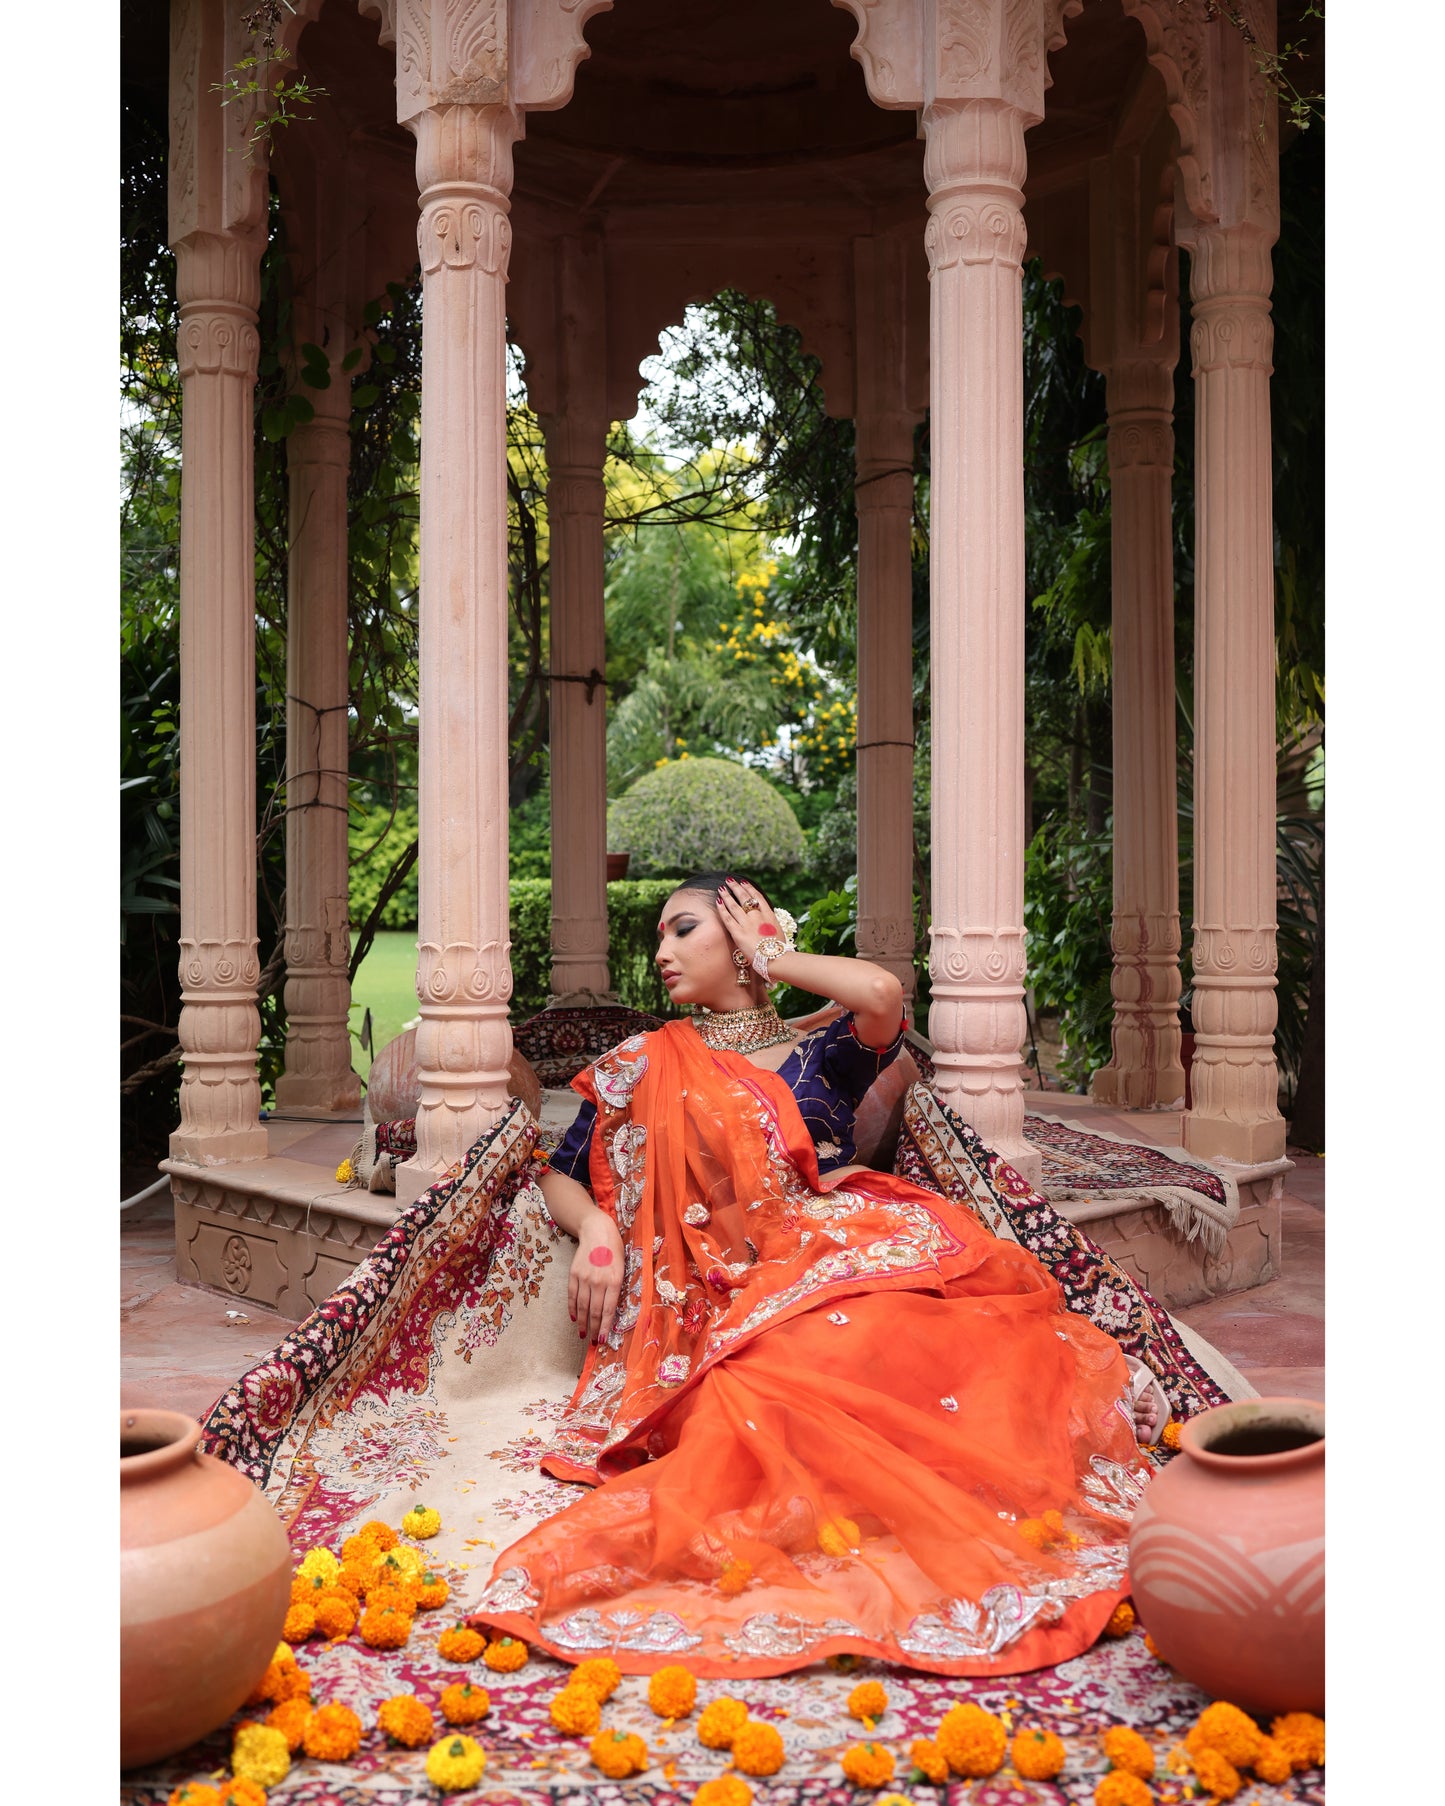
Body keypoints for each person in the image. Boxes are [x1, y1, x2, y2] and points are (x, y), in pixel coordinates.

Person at [467, 872, 1167, 1679]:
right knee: (773, 1388)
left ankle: (1073, 1413)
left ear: (740, 937)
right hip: (734, 1291)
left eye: (683, 929)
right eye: (657, 936)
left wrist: (777, 953)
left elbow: (879, 993)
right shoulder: (640, 1063)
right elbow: (558, 1168)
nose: (660, 952)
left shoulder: (820, 1053)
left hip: (851, 1252)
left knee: (905, 1331)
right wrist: (595, 1228)